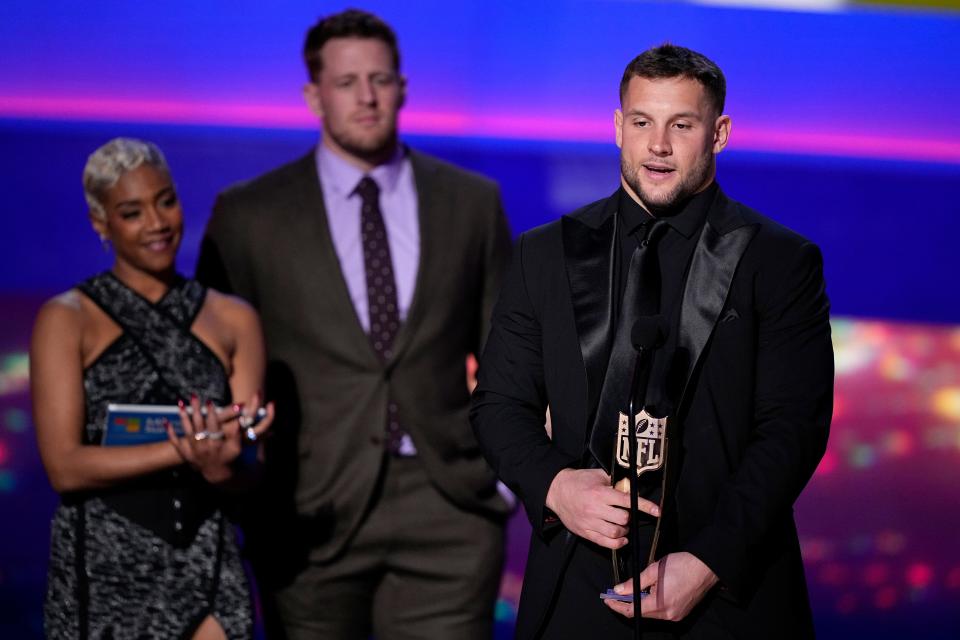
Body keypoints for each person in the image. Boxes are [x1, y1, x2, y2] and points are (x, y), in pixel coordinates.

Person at [471, 44, 833, 639]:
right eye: (641, 122)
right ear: (618, 126)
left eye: (681, 125)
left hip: (721, 592)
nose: (658, 145)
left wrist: (709, 560)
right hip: (576, 585)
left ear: (718, 133)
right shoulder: (545, 253)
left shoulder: (778, 261)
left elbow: (792, 430)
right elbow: (498, 405)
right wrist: (557, 487)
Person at [195, 8, 512, 640]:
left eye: (381, 79)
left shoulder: (471, 203)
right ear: (314, 95)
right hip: (310, 508)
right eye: (346, 83)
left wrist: (505, 480)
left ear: (402, 86)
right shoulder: (249, 215)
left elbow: (511, 354)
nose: (366, 97)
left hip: (448, 506)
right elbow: (208, 360)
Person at [31, 137, 274, 640]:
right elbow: (64, 467)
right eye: (132, 212)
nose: (158, 224)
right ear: (102, 223)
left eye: (166, 201)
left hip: (207, 557)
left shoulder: (234, 319)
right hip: (104, 570)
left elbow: (250, 475)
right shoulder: (67, 319)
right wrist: (184, 449)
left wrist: (223, 463)